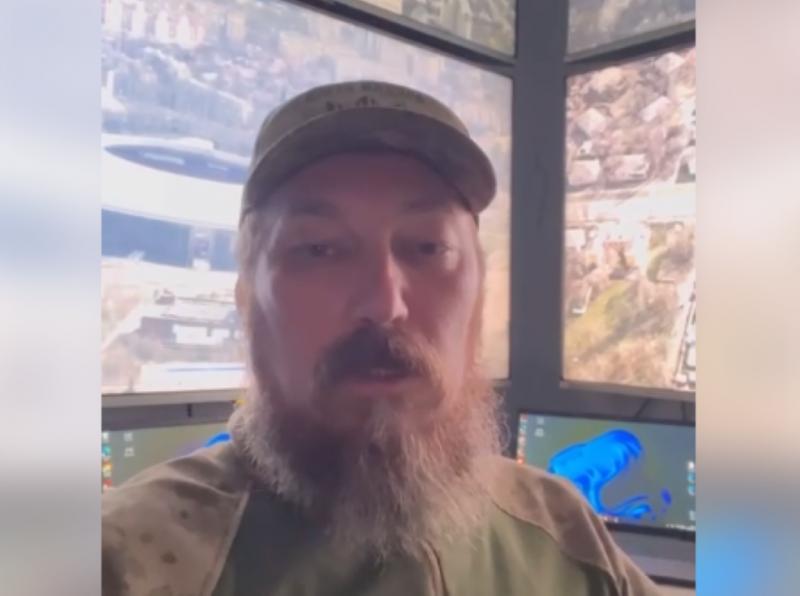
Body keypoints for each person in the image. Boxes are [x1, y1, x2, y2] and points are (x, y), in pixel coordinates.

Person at [102, 80, 662, 596]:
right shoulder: (126, 563)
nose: (383, 304)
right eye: (320, 249)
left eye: (428, 248)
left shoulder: (563, 536)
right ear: (248, 303)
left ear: (478, 299)